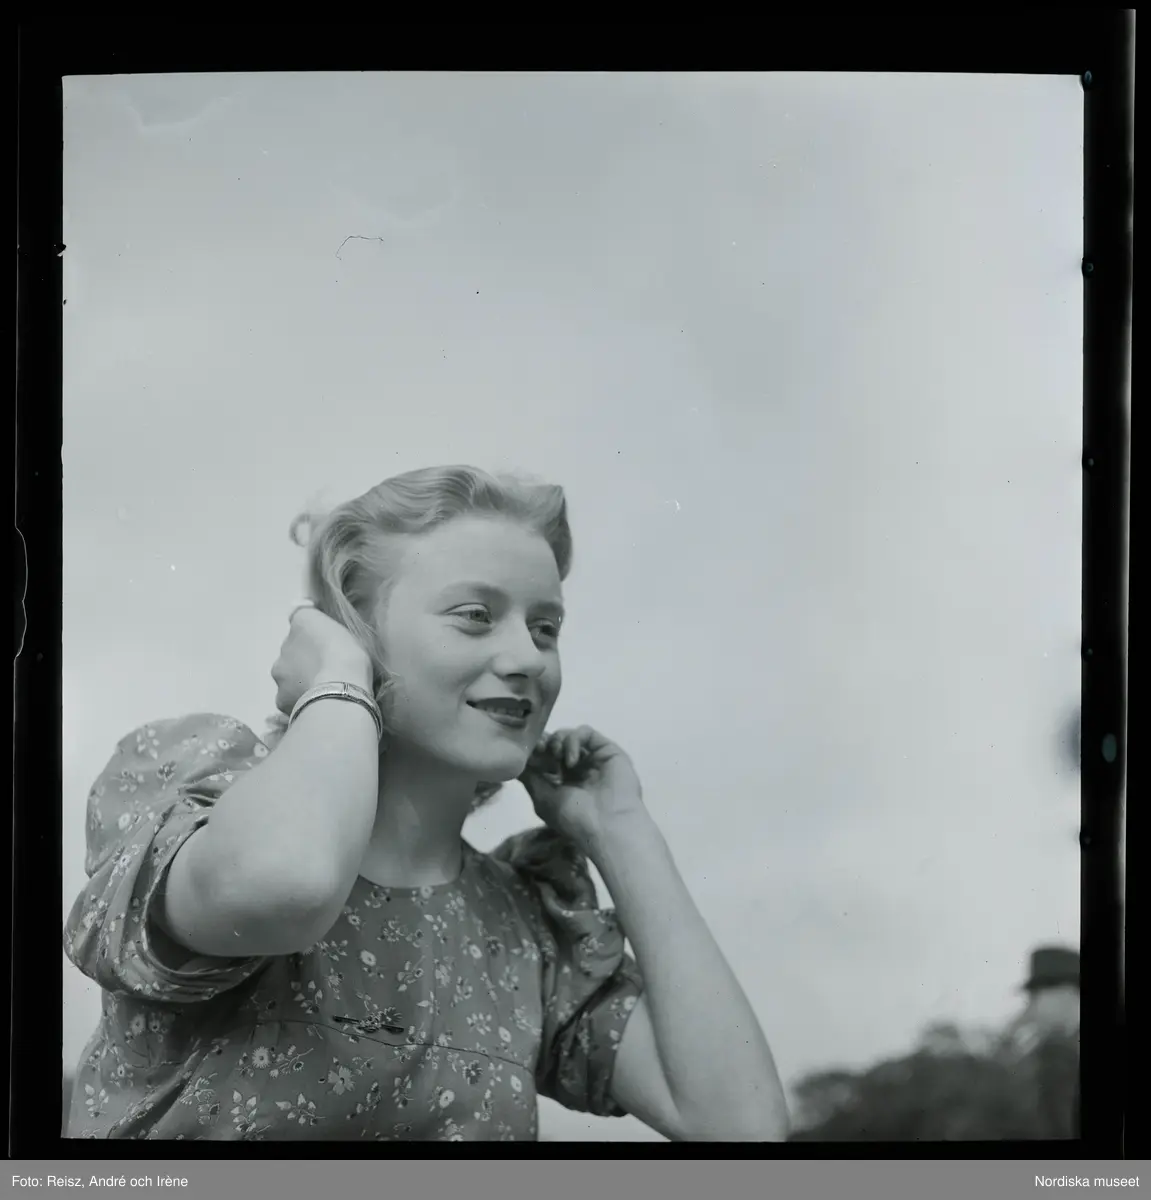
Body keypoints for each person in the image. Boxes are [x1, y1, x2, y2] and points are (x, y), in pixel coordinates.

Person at [63, 465, 789, 1142]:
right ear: (357, 632)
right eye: (475, 615)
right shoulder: (210, 802)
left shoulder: (526, 925)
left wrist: (622, 832)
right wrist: (340, 678)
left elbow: (741, 1128)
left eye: (545, 628)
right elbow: (288, 884)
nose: (528, 659)